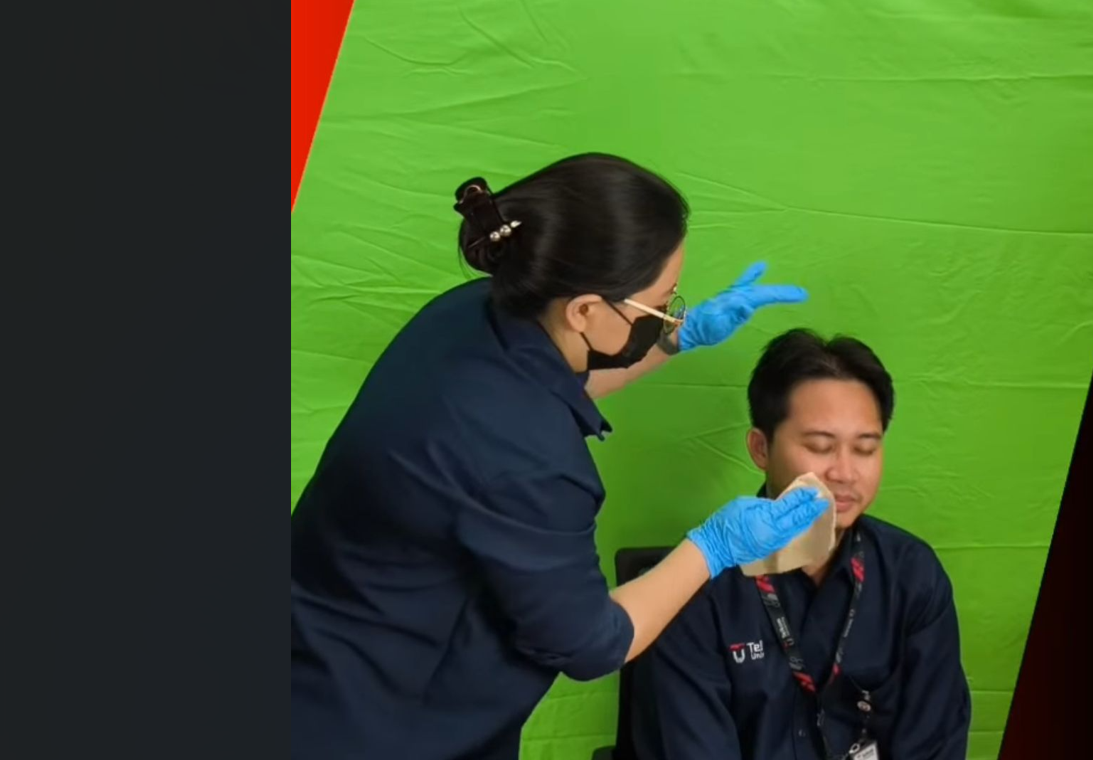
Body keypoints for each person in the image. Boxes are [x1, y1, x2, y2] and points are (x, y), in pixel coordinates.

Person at [291, 153, 831, 760]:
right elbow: (592, 644)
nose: (669, 311)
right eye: (661, 303)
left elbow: (550, 384)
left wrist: (675, 339)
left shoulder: (471, 312)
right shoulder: (532, 463)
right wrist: (714, 546)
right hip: (379, 718)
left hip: (313, 640)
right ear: (584, 310)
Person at [632, 329, 972, 760]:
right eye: (820, 446)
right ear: (761, 448)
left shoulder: (912, 575)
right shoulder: (691, 586)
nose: (845, 473)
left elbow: (936, 742)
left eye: (865, 449)